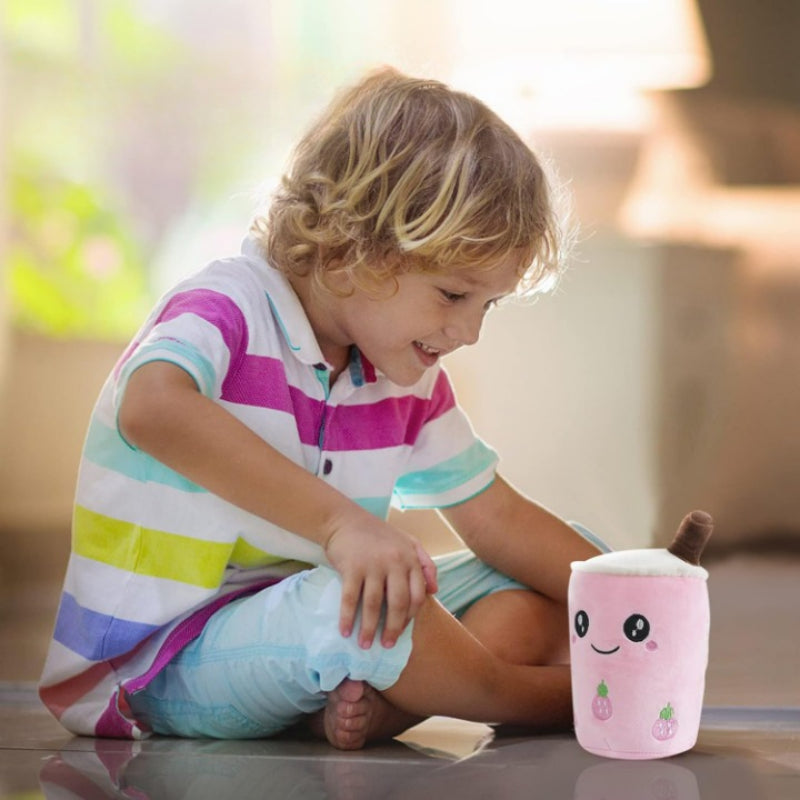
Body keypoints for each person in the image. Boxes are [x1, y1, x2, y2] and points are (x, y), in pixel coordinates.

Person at [39, 67, 608, 750]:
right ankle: (555, 697)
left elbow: (499, 519)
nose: (469, 332)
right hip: (162, 662)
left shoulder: (402, 373)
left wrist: (637, 594)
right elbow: (151, 408)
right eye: (454, 295)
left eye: (489, 305)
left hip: (302, 635)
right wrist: (341, 525)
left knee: (566, 579)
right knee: (348, 608)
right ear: (350, 247)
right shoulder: (227, 308)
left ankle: (389, 704)